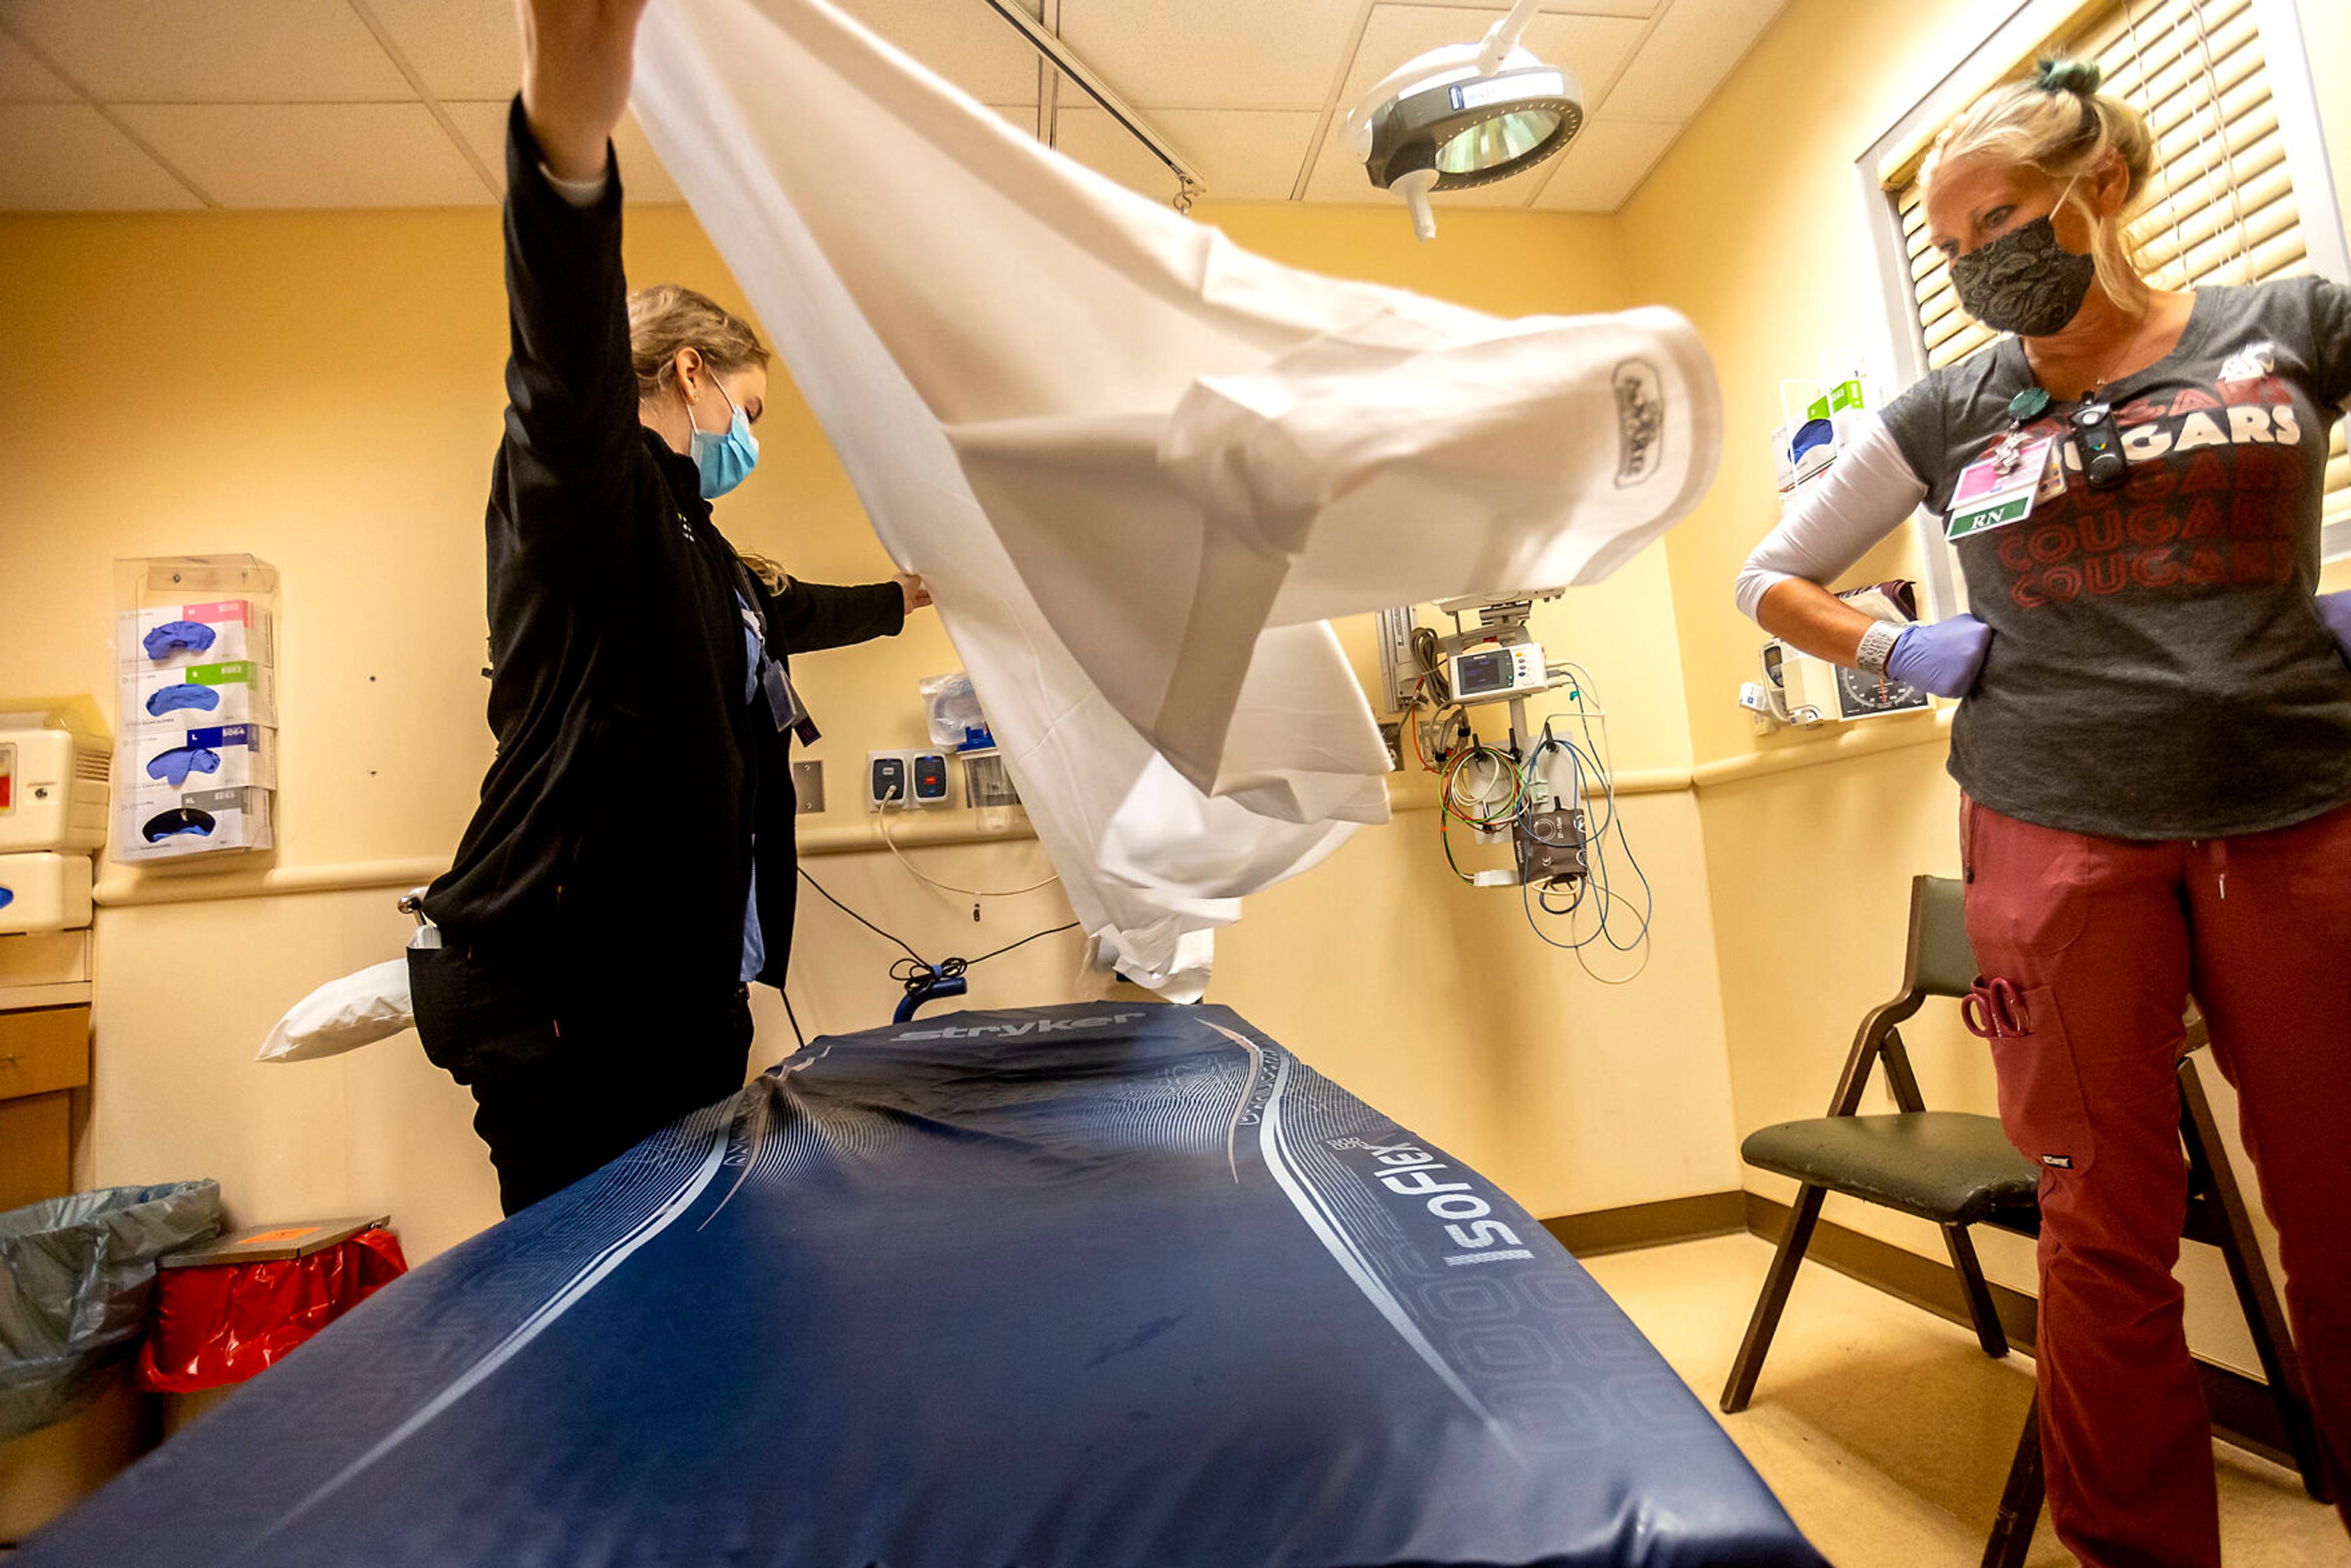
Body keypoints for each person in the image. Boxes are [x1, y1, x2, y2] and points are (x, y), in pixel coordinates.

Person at [1735, 56, 2351, 1568]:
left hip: (2298, 809)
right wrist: (1891, 644)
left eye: (1997, 221)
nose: (1974, 266)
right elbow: (1767, 577)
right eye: (1946, 250)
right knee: (2100, 1229)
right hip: (2055, 832)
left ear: (2104, 188)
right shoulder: (1956, 408)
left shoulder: (2290, 326)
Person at [410, 0, 930, 1217]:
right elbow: (562, 374)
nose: (752, 435)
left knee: (696, 1277)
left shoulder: (695, 542)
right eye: (751, 408)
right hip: (565, 977)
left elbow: (777, 612)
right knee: (607, 1307)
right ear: (690, 376)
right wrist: (569, 156)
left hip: (674, 978)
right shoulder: (595, 499)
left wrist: (910, 598)